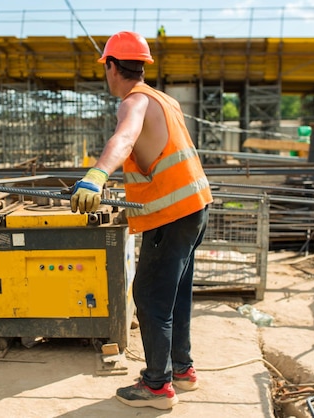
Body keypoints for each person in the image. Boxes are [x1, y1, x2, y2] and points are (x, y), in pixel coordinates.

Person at [70, 31, 213, 410]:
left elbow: (126, 137)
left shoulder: (134, 102)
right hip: (196, 207)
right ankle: (182, 371)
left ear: (113, 66)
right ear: (143, 65)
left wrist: (96, 175)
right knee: (176, 295)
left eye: (107, 68)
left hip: (171, 216)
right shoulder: (164, 99)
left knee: (149, 299)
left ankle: (156, 387)